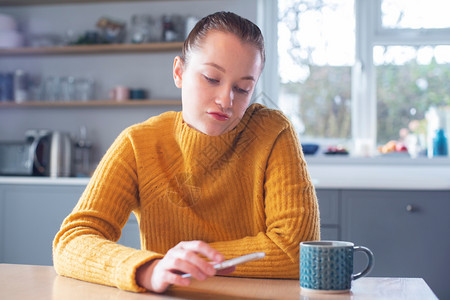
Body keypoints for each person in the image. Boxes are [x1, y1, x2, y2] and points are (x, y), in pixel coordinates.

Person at [53, 11, 320, 293]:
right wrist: (149, 268)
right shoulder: (137, 144)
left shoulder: (272, 132)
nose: (225, 101)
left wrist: (191, 261)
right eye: (212, 78)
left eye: (243, 88)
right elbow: (72, 241)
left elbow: (297, 251)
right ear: (179, 72)